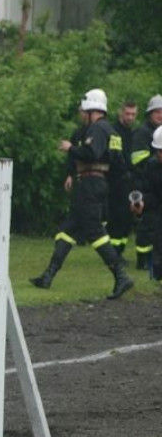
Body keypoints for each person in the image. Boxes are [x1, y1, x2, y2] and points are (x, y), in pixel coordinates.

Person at [30, 88, 134, 299]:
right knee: (67, 231)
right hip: (94, 184)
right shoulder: (112, 132)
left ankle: (121, 276)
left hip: (89, 185)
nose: (80, 115)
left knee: (94, 232)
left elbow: (91, 153)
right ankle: (48, 276)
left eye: (82, 111)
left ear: (91, 110)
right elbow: (119, 164)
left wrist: (70, 149)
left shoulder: (97, 128)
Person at [129, 94, 162, 269]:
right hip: (142, 182)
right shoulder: (142, 133)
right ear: (149, 114)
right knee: (146, 225)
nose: (160, 115)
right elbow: (137, 159)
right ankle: (144, 261)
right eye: (157, 112)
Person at [106, 100, 137, 258]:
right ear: (120, 113)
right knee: (117, 217)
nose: (130, 117)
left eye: (133, 114)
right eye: (127, 114)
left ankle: (119, 251)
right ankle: (113, 253)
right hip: (116, 180)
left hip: (129, 180)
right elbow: (116, 157)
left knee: (127, 218)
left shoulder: (131, 132)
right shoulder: (114, 131)